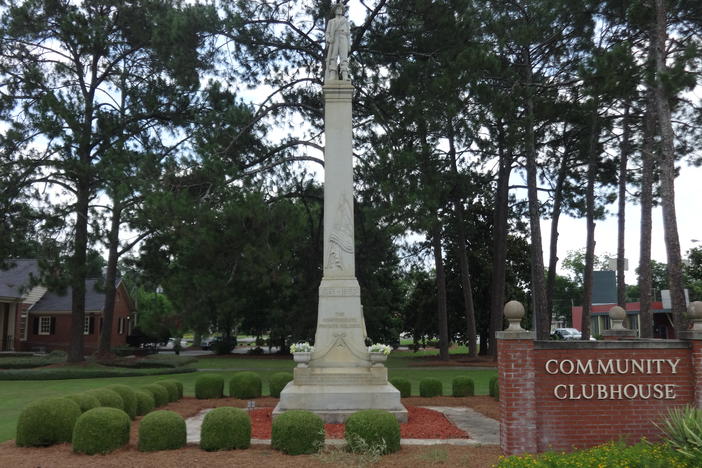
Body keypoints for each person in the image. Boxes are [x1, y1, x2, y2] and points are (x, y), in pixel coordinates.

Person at [325, 2, 350, 81]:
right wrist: (329, 39)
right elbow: (327, 33)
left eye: (341, 9)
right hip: (334, 38)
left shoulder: (345, 21)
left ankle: (345, 75)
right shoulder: (331, 21)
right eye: (338, 9)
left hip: (343, 37)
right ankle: (332, 75)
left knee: (344, 58)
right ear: (335, 11)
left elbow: (348, 34)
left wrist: (349, 44)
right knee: (333, 57)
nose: (340, 10)